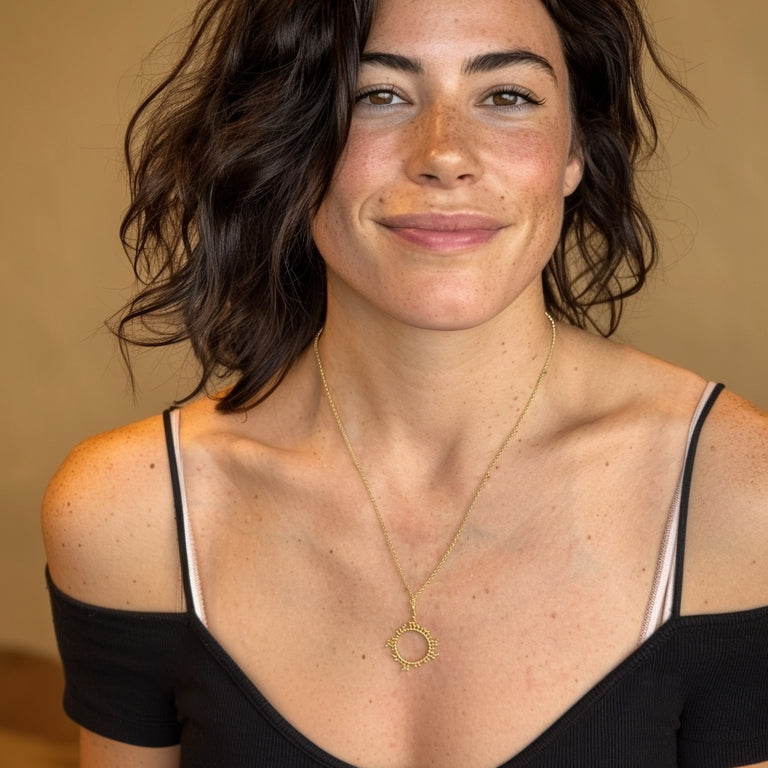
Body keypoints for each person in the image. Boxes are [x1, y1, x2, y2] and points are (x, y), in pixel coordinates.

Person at [42, 0, 768, 765]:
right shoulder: (131, 510)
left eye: (506, 96)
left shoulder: (737, 493)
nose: (444, 154)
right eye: (376, 95)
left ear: (574, 151)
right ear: (289, 138)